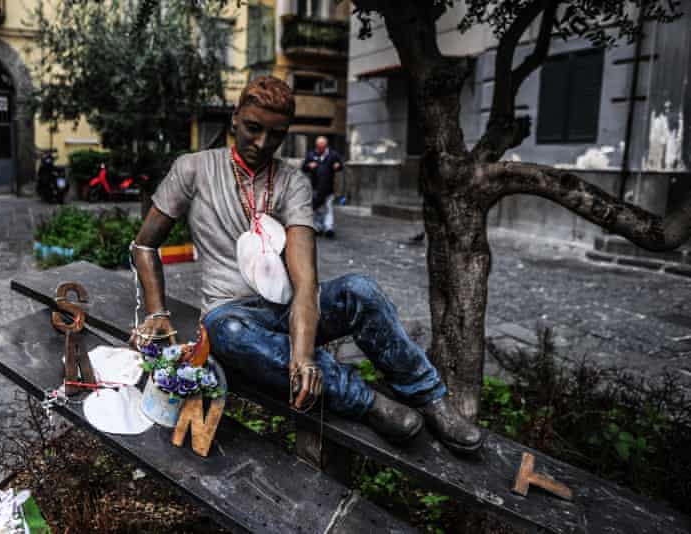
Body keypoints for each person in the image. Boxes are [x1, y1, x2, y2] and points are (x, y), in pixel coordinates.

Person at [129, 76, 483, 453]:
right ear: (235, 118)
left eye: (276, 135)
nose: (262, 143)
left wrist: (300, 355)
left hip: (290, 310)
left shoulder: (292, 181)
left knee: (359, 290)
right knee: (227, 332)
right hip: (232, 314)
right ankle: (365, 402)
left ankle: (429, 396)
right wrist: (157, 312)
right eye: (253, 128)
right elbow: (144, 245)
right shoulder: (193, 169)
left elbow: (305, 280)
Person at [302, 135, 343, 238]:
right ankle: (318, 227)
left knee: (328, 208)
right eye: (318, 146)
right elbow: (303, 167)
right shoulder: (311, 155)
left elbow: (341, 165)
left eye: (322, 146)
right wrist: (308, 166)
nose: (320, 148)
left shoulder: (333, 155)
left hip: (329, 187)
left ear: (326, 146)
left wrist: (338, 166)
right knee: (317, 209)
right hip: (315, 187)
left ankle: (329, 228)